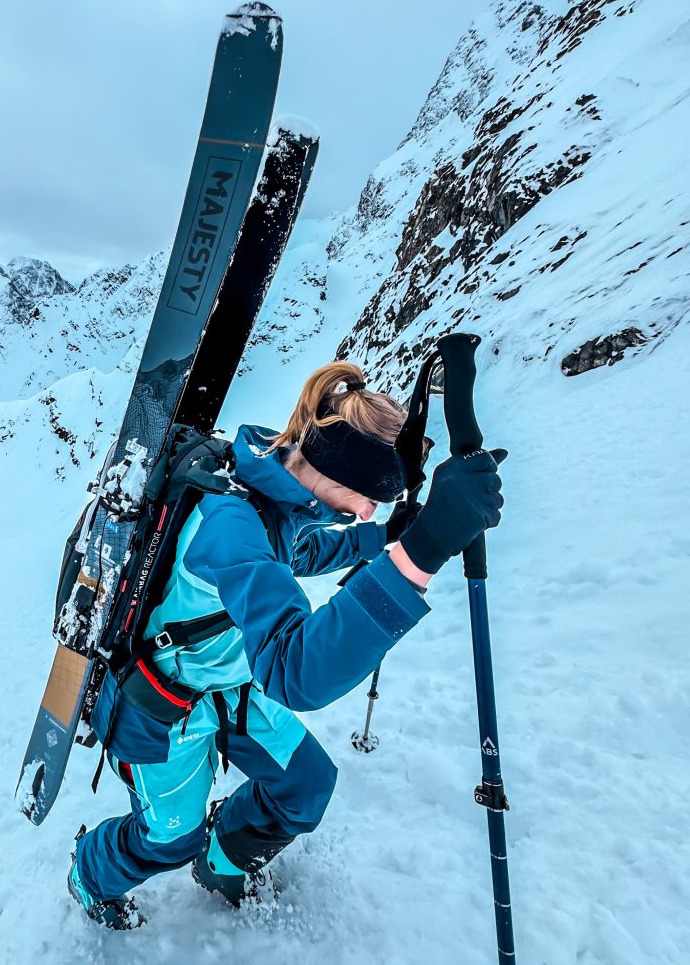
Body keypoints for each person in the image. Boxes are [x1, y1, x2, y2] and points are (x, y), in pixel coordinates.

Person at [67, 361, 505, 929]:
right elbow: (297, 669)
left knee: (306, 785)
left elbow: (295, 555)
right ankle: (90, 872)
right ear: (337, 465)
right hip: (163, 705)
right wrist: (420, 551)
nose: (369, 508)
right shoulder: (228, 520)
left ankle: (220, 862)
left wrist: (386, 537)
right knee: (168, 839)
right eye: (369, 494)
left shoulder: (274, 492)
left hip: (228, 680)